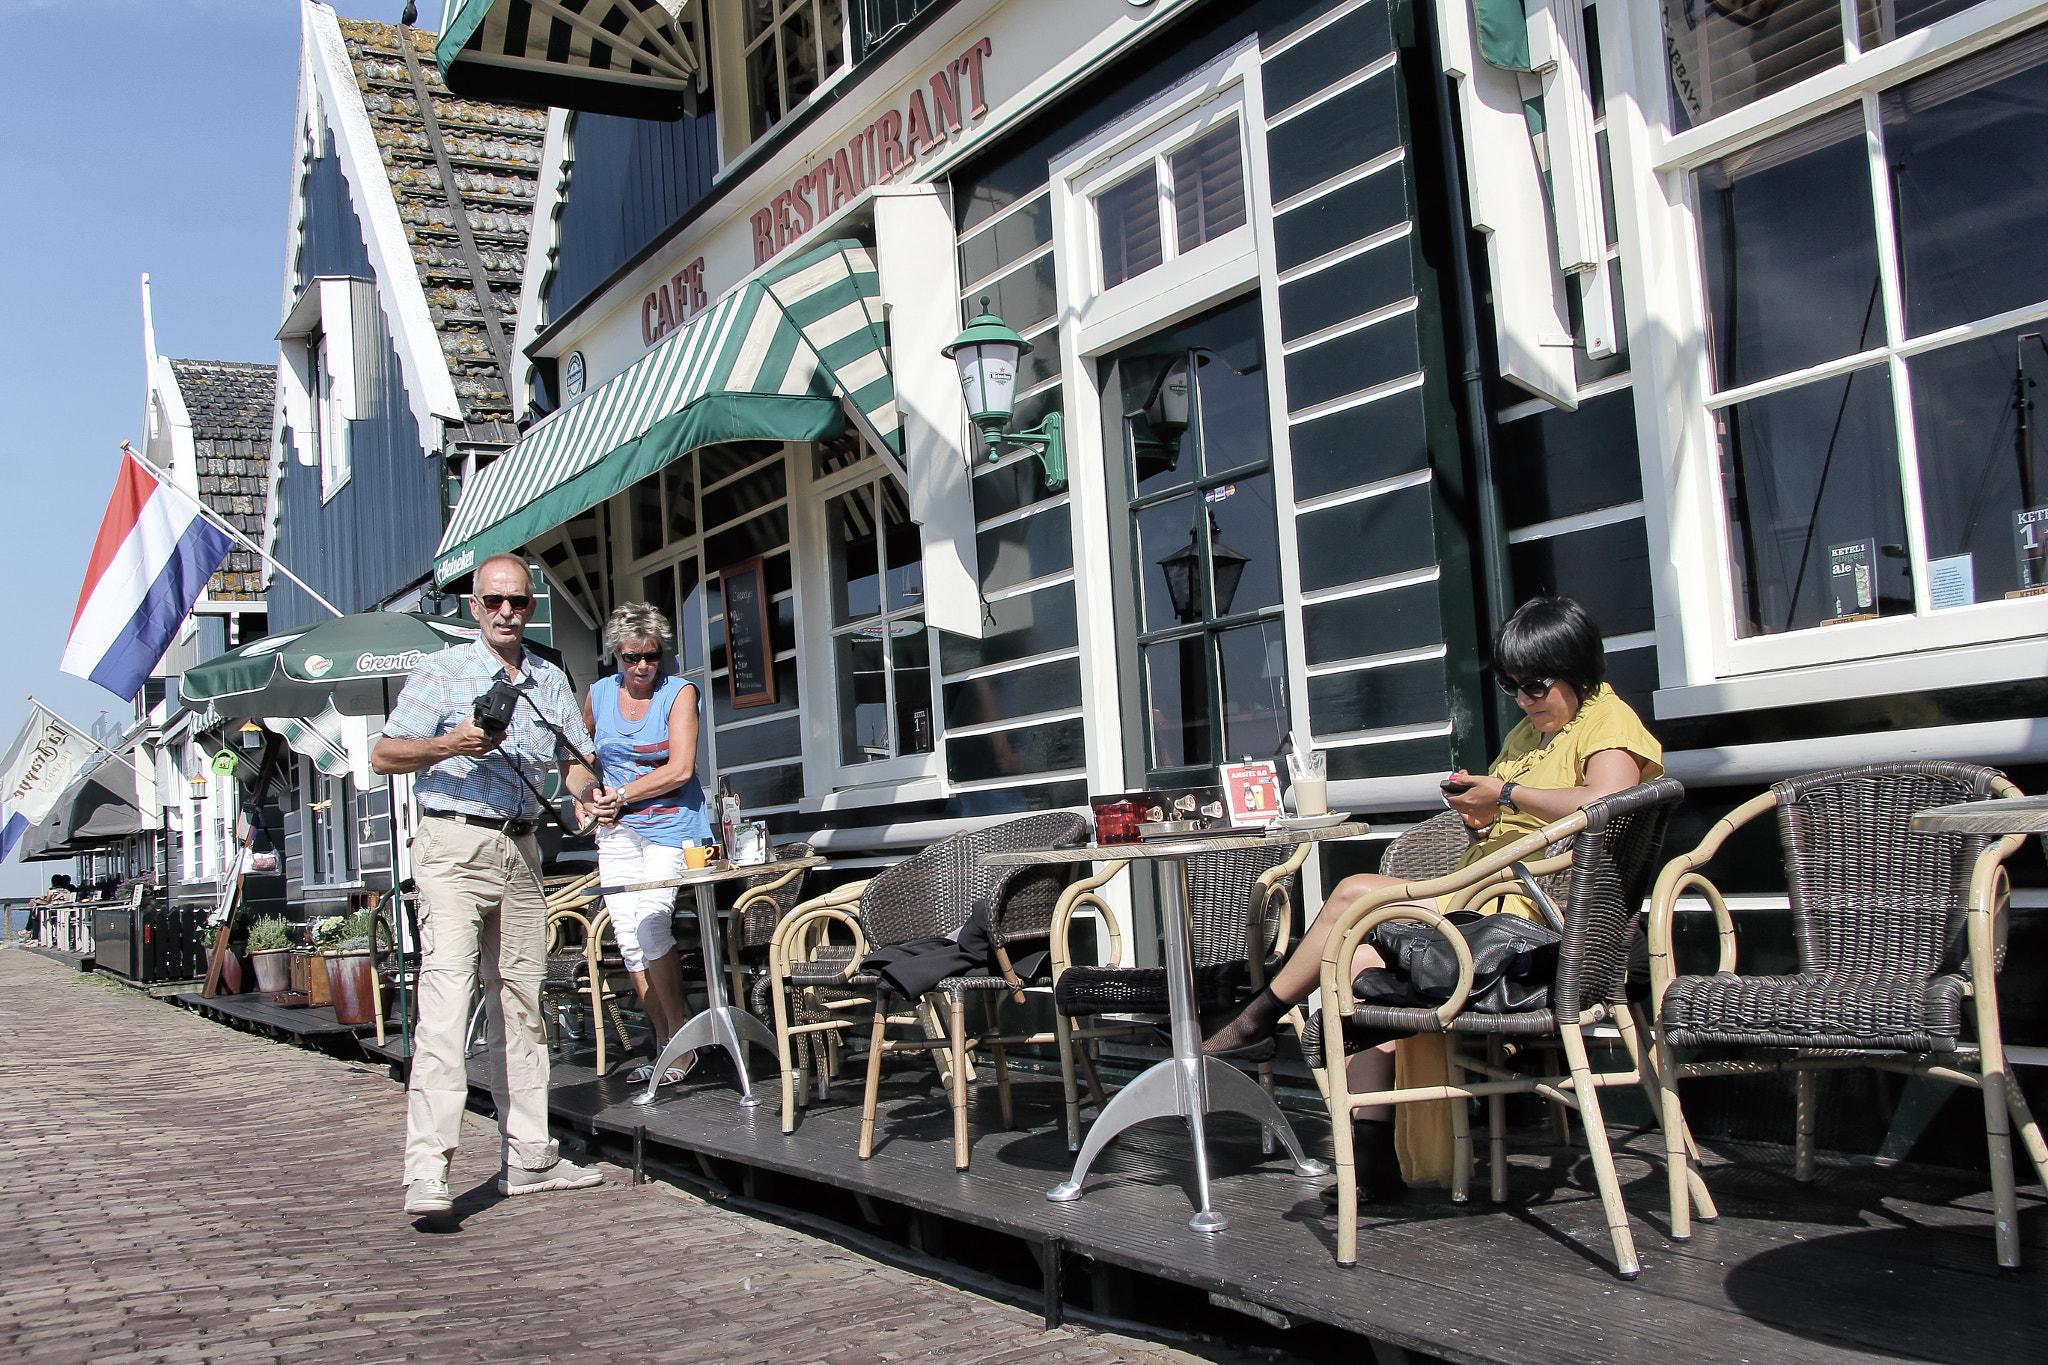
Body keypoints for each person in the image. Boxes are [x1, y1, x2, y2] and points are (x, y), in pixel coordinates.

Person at [1200, 596, 1663, 1200]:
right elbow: (1507, 813)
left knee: (1353, 894)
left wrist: (1507, 792)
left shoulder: (1609, 724)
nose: (1523, 699)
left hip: (1529, 921)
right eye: (1511, 687)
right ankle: (1374, 1158)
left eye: (1535, 685)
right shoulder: (1533, 730)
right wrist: (1478, 811)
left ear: (1576, 668)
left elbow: (1602, 805)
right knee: (1356, 963)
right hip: (1480, 894)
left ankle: (1254, 1020)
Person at [372, 552, 622, 1218]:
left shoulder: (548, 678)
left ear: (531, 607)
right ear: (474, 606)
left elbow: (574, 762)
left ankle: (530, 1156)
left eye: (519, 601)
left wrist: (591, 795)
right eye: (494, 601)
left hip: (521, 848)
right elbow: (383, 752)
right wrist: (450, 743)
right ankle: (427, 1173)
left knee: (522, 1004)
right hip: (453, 843)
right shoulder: (443, 670)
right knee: (448, 1004)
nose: (507, 611)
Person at [581, 602, 713, 1087]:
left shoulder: (678, 693)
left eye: (651, 656)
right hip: (617, 830)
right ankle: (665, 1045)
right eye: (631, 657)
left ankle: (682, 1042)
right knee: (627, 938)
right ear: (615, 654)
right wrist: (584, 795)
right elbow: (577, 758)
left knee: (651, 925)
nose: (641, 667)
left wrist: (620, 794)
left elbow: (680, 768)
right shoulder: (598, 695)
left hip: (672, 825)